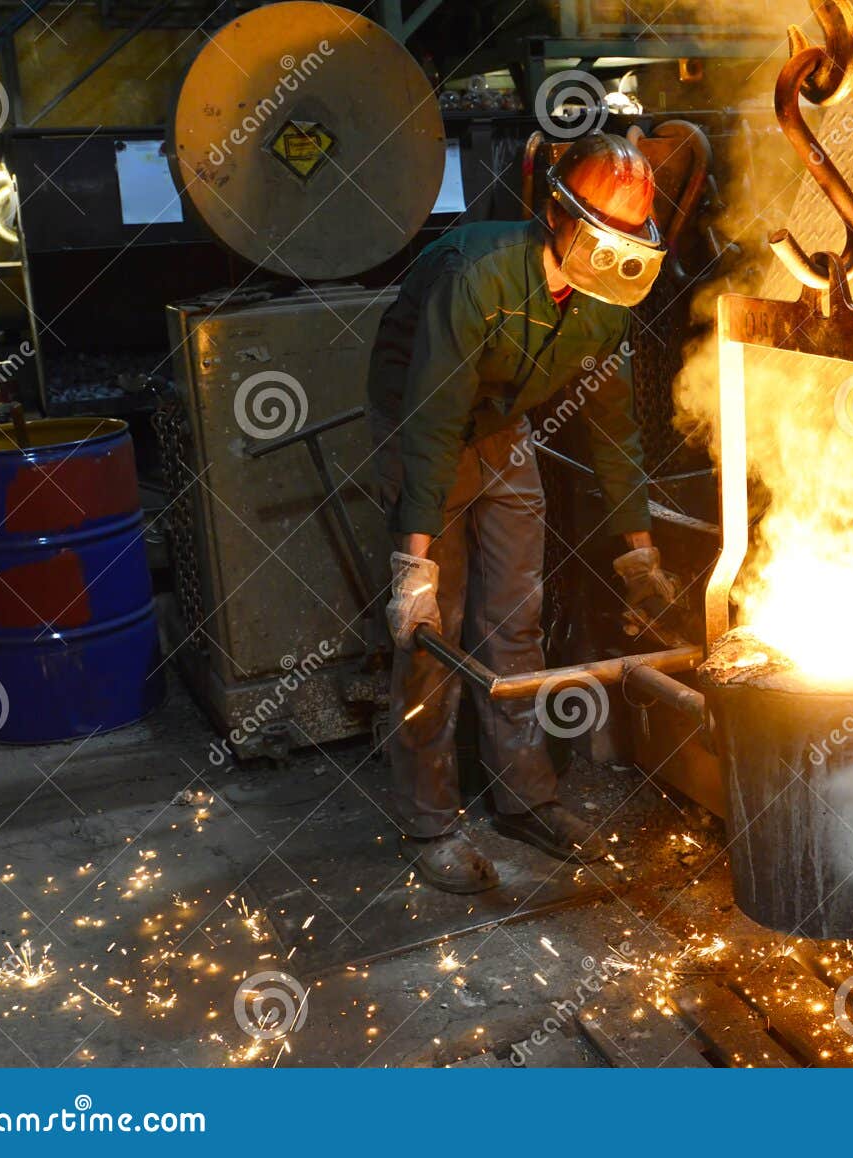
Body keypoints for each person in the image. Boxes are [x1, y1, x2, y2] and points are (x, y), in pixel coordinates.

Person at [367, 132, 679, 893]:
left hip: (504, 427)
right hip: (422, 422)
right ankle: (430, 820)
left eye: (627, 241)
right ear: (555, 214)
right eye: (600, 237)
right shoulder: (479, 275)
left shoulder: (609, 298)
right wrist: (413, 565)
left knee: (515, 623)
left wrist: (638, 549)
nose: (613, 256)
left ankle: (525, 797)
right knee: (431, 635)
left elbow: (613, 429)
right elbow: (436, 423)